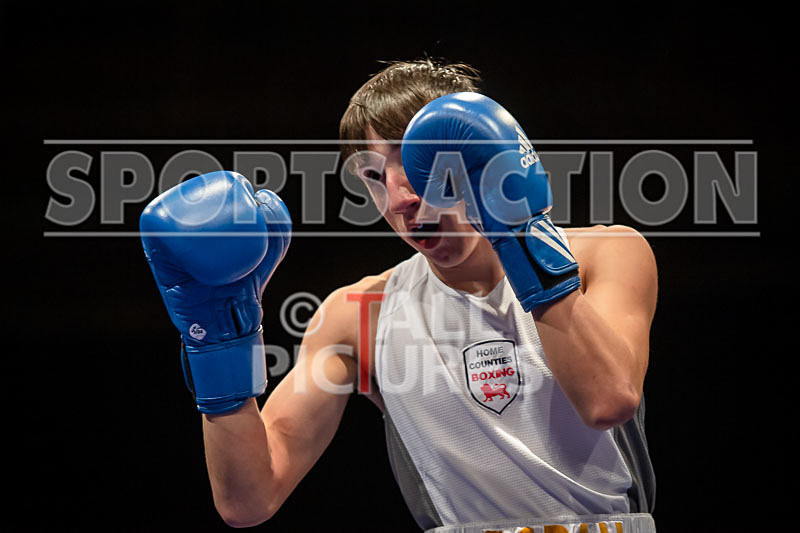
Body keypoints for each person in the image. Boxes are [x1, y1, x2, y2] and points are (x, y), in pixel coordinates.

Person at [140, 59, 658, 532]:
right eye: (373, 174)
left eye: (416, 163)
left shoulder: (604, 253)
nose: (400, 197)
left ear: (477, 156)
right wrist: (218, 339)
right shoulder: (357, 315)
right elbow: (248, 499)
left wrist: (521, 231)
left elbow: (608, 400)